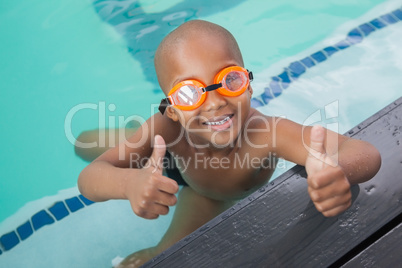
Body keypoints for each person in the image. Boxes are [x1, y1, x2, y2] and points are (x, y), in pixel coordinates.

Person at [77, 20, 381, 267]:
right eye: (188, 93)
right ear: (171, 108)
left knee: (165, 258)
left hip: (207, 194)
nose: (215, 103)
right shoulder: (163, 126)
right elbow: (90, 177)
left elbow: (364, 153)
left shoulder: (266, 133)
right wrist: (129, 183)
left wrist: (335, 168)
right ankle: (131, 133)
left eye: (229, 80)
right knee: (82, 144)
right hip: (165, 156)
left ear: (249, 85)